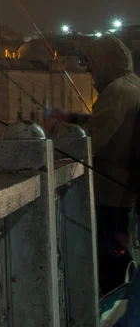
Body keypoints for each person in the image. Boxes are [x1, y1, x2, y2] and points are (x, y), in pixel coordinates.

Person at [51, 34, 140, 295]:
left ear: (105, 61)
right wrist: (73, 117)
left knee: (112, 262)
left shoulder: (117, 92)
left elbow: (94, 138)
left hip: (110, 193)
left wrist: (55, 145)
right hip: (127, 191)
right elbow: (109, 123)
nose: (88, 69)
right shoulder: (133, 84)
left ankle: (117, 311)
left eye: (90, 62)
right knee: (124, 255)